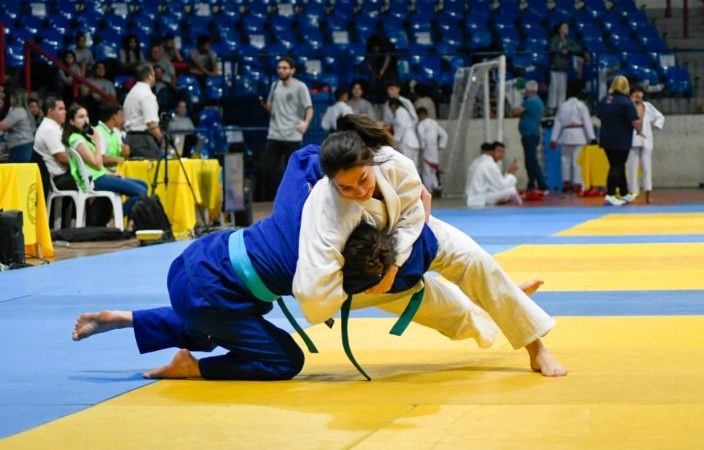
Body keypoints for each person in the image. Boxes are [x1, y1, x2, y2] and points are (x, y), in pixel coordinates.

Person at [70, 145, 475, 379]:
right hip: (210, 292)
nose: (358, 193)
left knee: (229, 321)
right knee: (284, 360)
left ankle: (126, 318)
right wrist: (411, 228)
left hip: (203, 257)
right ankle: (193, 369)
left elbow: (306, 154)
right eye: (352, 186)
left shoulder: (302, 198)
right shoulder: (329, 259)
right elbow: (402, 275)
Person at [294, 115, 567, 376]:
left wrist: (394, 266)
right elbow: (312, 293)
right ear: (331, 183)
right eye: (346, 188)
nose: (359, 191)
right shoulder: (326, 205)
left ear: (371, 160)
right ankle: (497, 301)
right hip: (371, 269)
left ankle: (535, 347)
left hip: (418, 232)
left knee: (477, 263)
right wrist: (378, 277)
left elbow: (413, 216)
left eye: (363, 179)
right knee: (450, 313)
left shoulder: (394, 163)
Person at [63, 102, 148, 217]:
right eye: (81, 117)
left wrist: (111, 173)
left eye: (86, 116)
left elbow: (96, 166)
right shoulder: (76, 139)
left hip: (101, 175)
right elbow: (97, 164)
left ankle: (122, 219)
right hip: (94, 180)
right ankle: (114, 220)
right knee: (141, 192)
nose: (86, 120)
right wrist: (97, 141)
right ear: (72, 122)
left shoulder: (83, 137)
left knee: (143, 185)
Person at [259, 57, 313, 201]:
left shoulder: (300, 87)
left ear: (292, 70)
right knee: (268, 169)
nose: (281, 71)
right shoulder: (275, 85)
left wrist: (305, 123)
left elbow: (309, 109)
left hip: (292, 135)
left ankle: (292, 199)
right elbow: (271, 108)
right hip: (274, 134)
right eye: (279, 68)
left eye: (284, 68)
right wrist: (264, 105)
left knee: (293, 171)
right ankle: (270, 200)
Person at [596, 75, 642, 207]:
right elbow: (635, 120)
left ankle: (624, 192)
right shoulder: (625, 102)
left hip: (606, 137)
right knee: (616, 166)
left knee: (617, 164)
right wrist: (639, 130)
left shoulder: (604, 100)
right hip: (621, 138)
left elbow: (599, 115)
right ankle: (610, 194)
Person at [549, 80, 596, 195]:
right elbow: (587, 122)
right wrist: (592, 138)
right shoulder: (581, 106)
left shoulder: (562, 106)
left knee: (565, 159)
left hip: (565, 134)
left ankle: (566, 183)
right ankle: (577, 183)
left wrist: (553, 139)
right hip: (579, 135)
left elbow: (558, 123)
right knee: (577, 161)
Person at [627, 84, 664, 204]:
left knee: (647, 169)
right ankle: (633, 194)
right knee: (632, 169)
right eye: (635, 93)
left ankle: (648, 194)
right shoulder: (627, 106)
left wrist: (656, 125)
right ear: (631, 95)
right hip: (632, 140)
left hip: (646, 140)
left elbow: (660, 116)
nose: (638, 95)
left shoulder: (648, 106)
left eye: (640, 92)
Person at [32, 96, 75, 196]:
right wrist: (83, 165)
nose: (65, 112)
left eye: (64, 108)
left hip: (62, 175)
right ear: (50, 111)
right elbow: (62, 159)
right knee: (93, 178)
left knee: (91, 176)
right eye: (60, 109)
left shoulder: (53, 126)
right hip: (58, 178)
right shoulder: (49, 129)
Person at [512, 80, 548, 194]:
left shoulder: (530, 101)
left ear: (527, 90)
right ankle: (531, 183)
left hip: (529, 134)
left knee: (532, 160)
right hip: (533, 133)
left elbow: (516, 112)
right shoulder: (539, 101)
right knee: (529, 160)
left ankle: (542, 185)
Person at [123, 63, 162, 159]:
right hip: (143, 141)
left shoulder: (131, 93)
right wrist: (162, 140)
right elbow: (152, 124)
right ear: (150, 76)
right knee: (150, 173)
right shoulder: (147, 95)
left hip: (129, 138)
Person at [465, 141, 522, 207]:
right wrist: (511, 173)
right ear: (491, 152)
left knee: (509, 190)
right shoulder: (489, 163)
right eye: (498, 151)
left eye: (503, 151)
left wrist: (509, 173)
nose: (501, 154)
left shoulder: (475, 162)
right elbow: (501, 187)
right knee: (512, 191)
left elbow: (495, 184)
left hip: (473, 197)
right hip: (479, 199)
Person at [548, 22, 581, 115]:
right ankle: (551, 108)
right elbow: (552, 49)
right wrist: (561, 49)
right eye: (564, 27)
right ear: (560, 29)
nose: (566, 29)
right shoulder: (555, 39)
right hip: (555, 68)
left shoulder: (568, 40)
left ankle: (561, 108)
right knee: (554, 89)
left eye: (567, 27)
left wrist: (568, 49)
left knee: (562, 90)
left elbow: (578, 48)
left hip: (563, 68)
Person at [416, 106, 447, 193]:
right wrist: (441, 145)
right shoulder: (434, 123)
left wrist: (421, 148)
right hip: (434, 149)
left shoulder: (421, 125)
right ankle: (436, 187)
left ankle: (429, 191)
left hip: (425, 150)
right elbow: (444, 135)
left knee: (426, 172)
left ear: (420, 115)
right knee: (433, 171)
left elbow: (422, 137)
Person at [0, 89, 36, 163]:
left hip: (21, 147)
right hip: (24, 146)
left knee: (17, 171)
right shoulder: (23, 110)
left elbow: (2, 126)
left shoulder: (18, 111)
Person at [95, 102, 129, 171]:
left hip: (118, 171)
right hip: (105, 173)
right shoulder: (98, 132)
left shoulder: (116, 132)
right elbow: (100, 158)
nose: (123, 120)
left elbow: (121, 157)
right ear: (114, 117)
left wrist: (125, 153)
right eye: (121, 116)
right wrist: (116, 160)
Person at [364, 34, 398, 102]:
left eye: (377, 47)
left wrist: (382, 71)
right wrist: (373, 73)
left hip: (389, 71)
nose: (375, 49)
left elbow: (387, 58)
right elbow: (367, 61)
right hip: (378, 68)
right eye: (374, 47)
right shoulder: (370, 46)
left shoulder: (386, 47)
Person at [387, 98, 420, 163]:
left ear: (393, 105)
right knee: (412, 165)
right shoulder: (404, 111)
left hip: (407, 142)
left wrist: (396, 140)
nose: (391, 110)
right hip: (411, 141)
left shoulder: (399, 111)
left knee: (407, 164)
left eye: (390, 108)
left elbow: (402, 126)